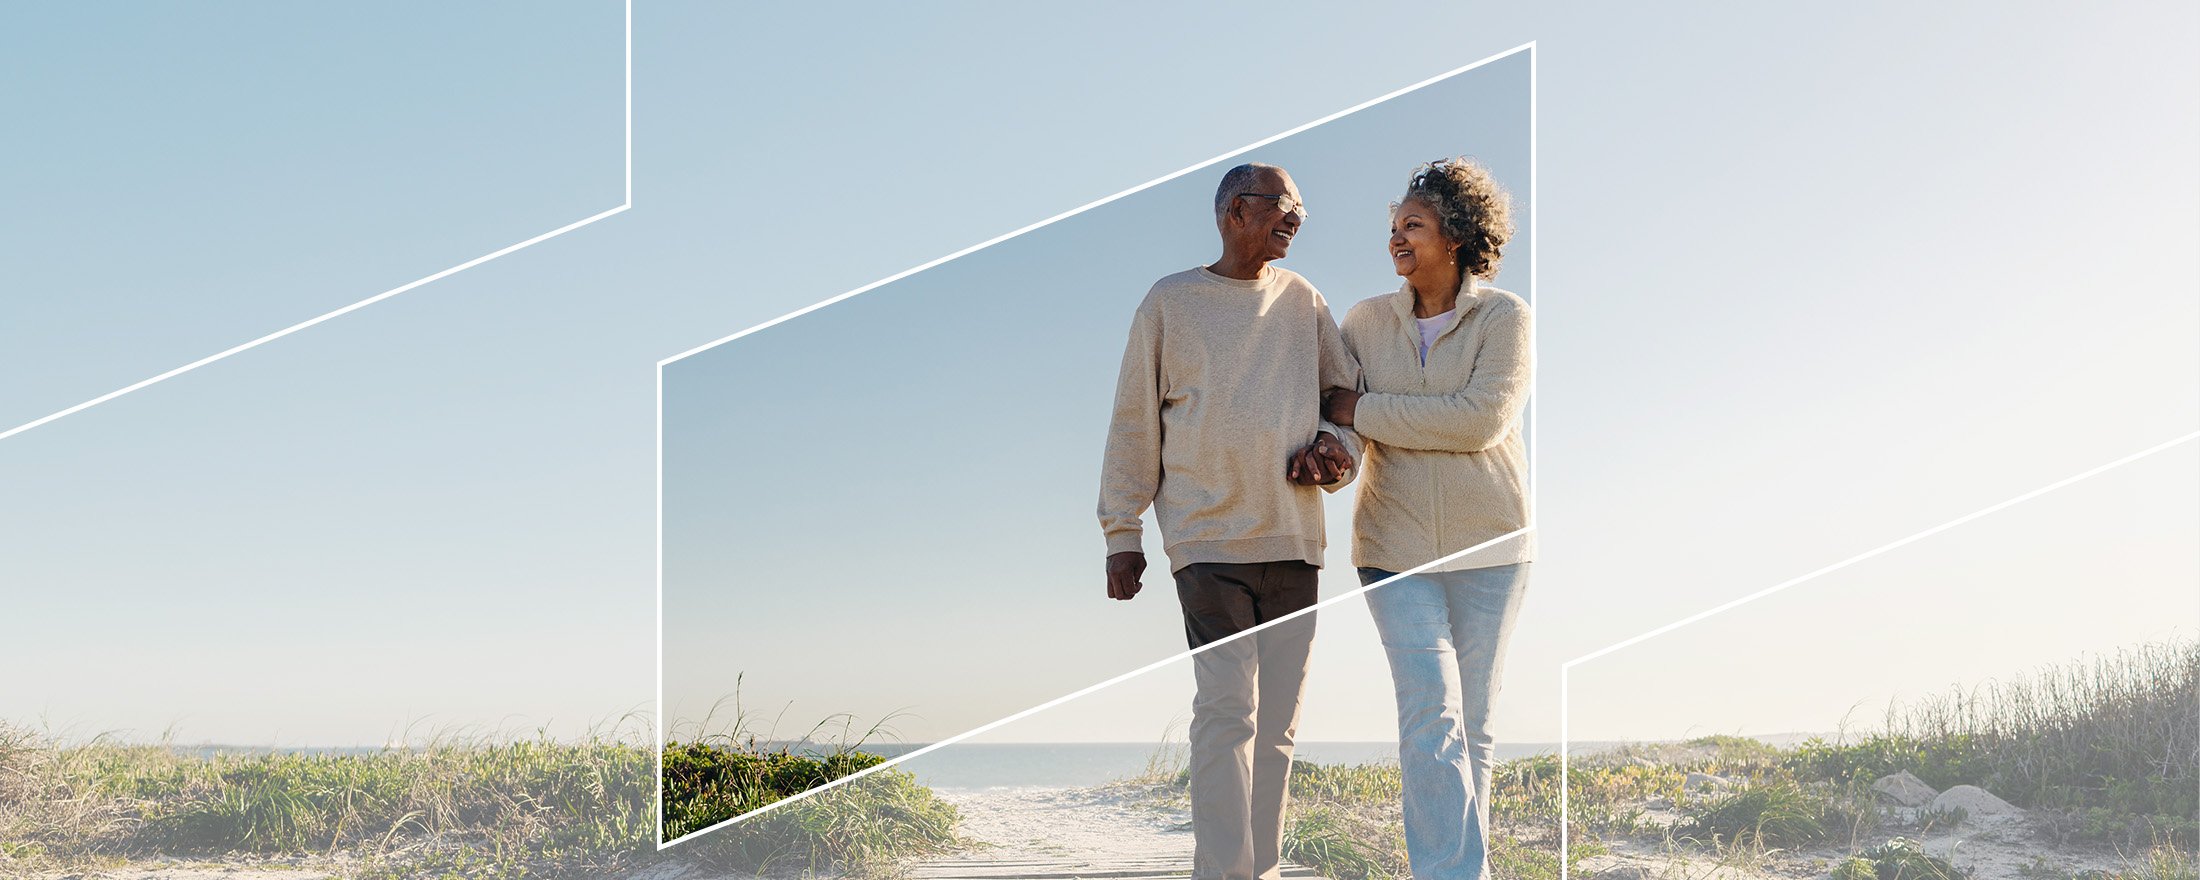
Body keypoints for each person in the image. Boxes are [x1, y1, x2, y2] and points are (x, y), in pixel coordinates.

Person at [1098, 162, 1359, 880]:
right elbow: (1132, 423)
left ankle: (1259, 871)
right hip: (1207, 543)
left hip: (1295, 540)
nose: (1297, 218)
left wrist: (1341, 452)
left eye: (1301, 209)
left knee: (1274, 730)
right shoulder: (1170, 302)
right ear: (1236, 211)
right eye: (1284, 205)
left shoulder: (1305, 302)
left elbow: (1345, 396)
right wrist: (1122, 533)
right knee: (1226, 714)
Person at [1321, 157, 1532, 880]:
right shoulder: (1365, 322)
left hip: (1493, 547)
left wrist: (1366, 411)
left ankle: (1459, 867)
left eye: (1412, 224)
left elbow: (1480, 422)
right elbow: (1343, 419)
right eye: (1392, 227)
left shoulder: (1504, 317)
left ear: (1458, 234)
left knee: (1472, 727)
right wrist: (1334, 449)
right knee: (1430, 719)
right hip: (1392, 546)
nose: (1396, 238)